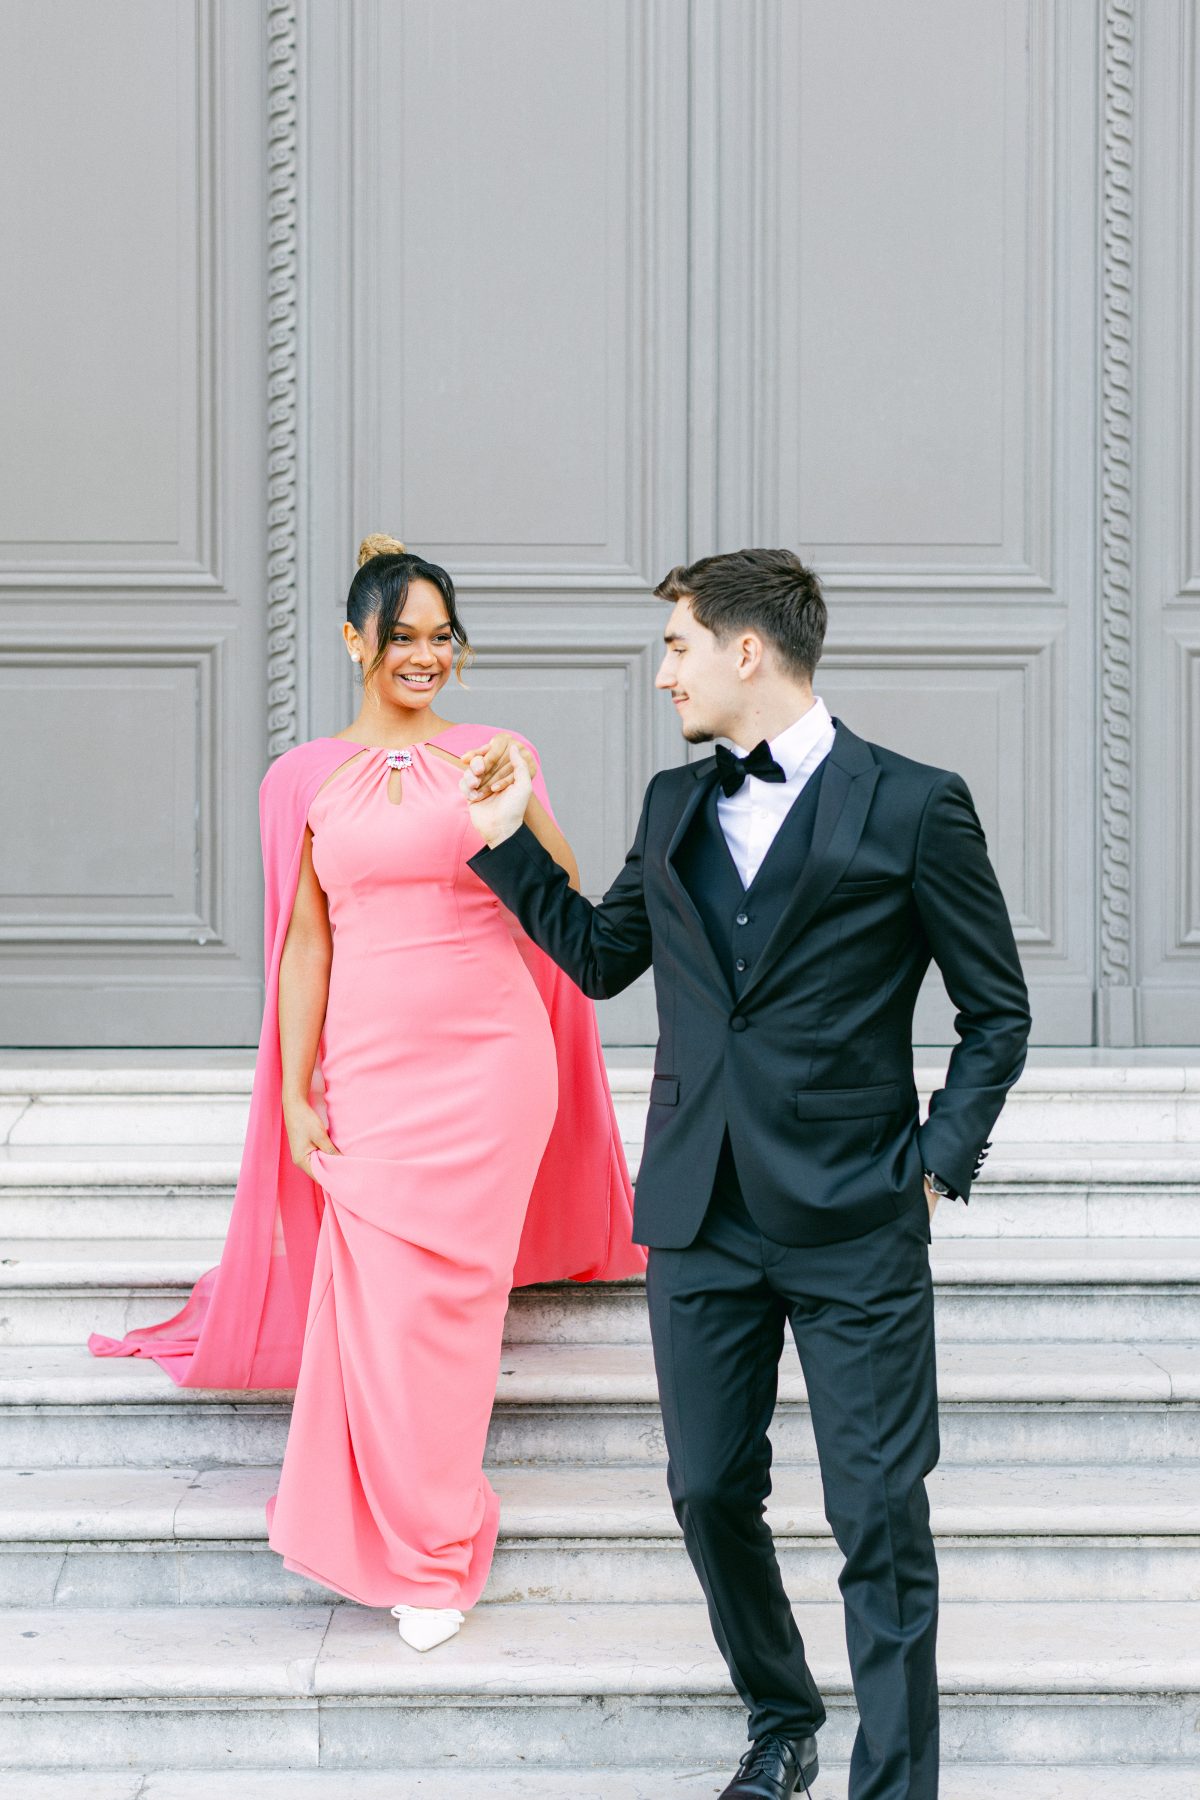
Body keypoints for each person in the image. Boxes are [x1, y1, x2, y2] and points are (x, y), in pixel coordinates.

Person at [463, 547, 1031, 1799]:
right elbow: (607, 959)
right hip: (700, 1212)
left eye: (676, 646)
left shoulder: (914, 803)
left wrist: (937, 1163)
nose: (662, 673)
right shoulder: (672, 809)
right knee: (709, 1489)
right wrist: (507, 849)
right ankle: (784, 1720)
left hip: (855, 1217)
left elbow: (999, 1012)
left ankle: (896, 1785)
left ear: (746, 651)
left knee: (880, 1517)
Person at [90, 534, 644, 1652]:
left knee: (450, 1305)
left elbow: (566, 888)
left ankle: (435, 1548)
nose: (425, 655)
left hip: (492, 1071)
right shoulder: (302, 778)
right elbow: (305, 947)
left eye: (442, 637)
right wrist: (295, 1091)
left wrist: (517, 802)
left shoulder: (496, 751)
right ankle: (384, 1520)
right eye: (403, 637)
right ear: (356, 642)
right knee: (381, 1306)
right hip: (370, 1077)